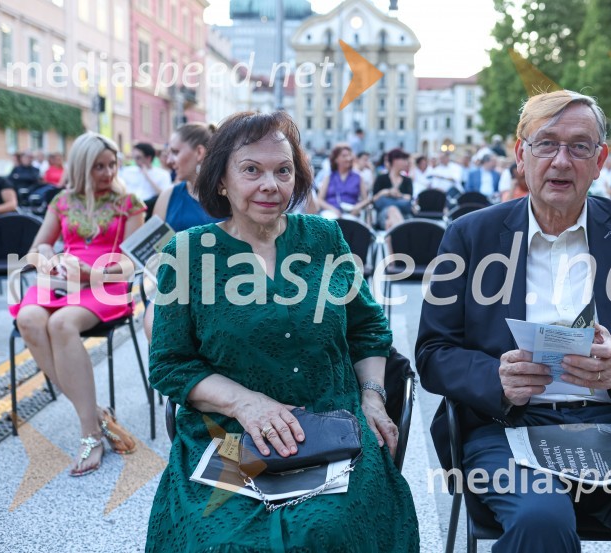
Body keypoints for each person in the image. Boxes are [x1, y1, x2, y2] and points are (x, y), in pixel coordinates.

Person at [416, 90, 611, 552]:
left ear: (600, 160)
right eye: (546, 144)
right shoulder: (470, 236)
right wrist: (497, 378)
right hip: (509, 428)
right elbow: (433, 353)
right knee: (541, 520)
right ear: (521, 154)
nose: (561, 161)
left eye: (579, 147)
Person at [145, 111, 418, 552]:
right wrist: (246, 403)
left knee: (327, 531)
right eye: (251, 170)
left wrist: (372, 395)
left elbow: (367, 329)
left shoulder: (325, 238)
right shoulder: (188, 251)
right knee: (223, 541)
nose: (270, 184)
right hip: (228, 432)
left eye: (283, 170)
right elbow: (170, 363)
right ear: (221, 181)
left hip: (332, 425)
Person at [10, 133, 146, 476]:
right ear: (82, 166)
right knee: (28, 319)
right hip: (63, 279)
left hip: (106, 282)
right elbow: (38, 248)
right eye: (99, 165)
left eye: (112, 164)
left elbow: (133, 262)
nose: (107, 171)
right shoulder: (62, 201)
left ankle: (91, 434)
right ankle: (97, 413)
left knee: (61, 324)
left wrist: (93, 273)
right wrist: (50, 261)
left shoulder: (129, 202)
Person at [142, 123, 224, 342]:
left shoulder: (228, 197)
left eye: (175, 152)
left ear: (199, 152)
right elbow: (154, 253)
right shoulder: (168, 195)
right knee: (156, 326)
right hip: (175, 288)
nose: (169, 161)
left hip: (223, 287)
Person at [316, 144, 372, 218]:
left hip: (351, 212)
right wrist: (332, 209)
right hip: (331, 212)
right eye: (344, 156)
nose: (348, 158)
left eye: (349, 155)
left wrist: (358, 206)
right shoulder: (329, 177)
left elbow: (366, 200)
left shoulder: (358, 177)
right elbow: (319, 200)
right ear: (336, 159)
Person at [373, 148, 414, 230]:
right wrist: (387, 192)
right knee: (392, 210)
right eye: (404, 159)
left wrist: (398, 195)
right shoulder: (381, 179)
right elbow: (374, 199)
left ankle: (395, 236)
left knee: (389, 223)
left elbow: (409, 198)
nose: (406, 163)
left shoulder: (407, 180)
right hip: (384, 214)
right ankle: (401, 235)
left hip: (404, 215)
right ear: (395, 160)